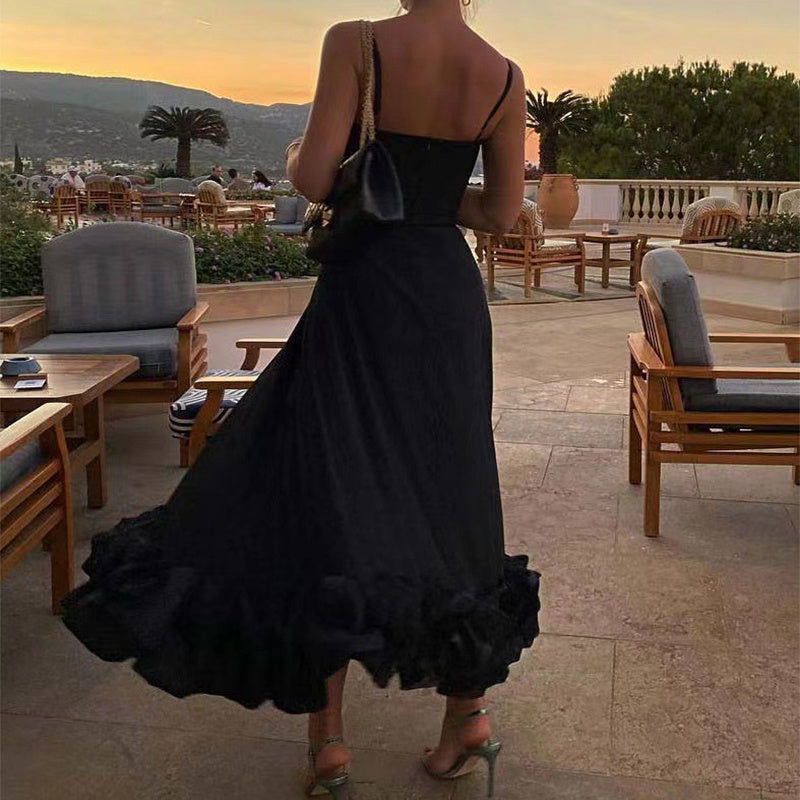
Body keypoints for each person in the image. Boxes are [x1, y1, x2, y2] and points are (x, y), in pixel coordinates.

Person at [61, 2, 540, 799]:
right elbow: (497, 211)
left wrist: (319, 161)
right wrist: (430, 195)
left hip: (367, 290)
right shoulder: (504, 74)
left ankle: (330, 744)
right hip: (447, 300)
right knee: (452, 490)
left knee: (327, 492)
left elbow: (316, 178)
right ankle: (468, 717)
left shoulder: (357, 42)